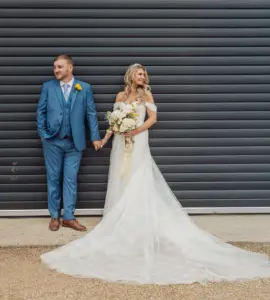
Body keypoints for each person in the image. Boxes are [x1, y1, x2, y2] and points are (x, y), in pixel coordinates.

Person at [40, 63, 270, 284]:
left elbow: (153, 119)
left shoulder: (146, 96)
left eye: (144, 75)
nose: (142, 78)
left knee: (138, 177)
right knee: (120, 177)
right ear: (131, 76)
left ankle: (136, 220)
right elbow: (113, 122)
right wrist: (104, 139)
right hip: (121, 144)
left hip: (138, 141)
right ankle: (116, 217)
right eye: (139, 75)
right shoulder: (120, 97)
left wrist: (135, 130)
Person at [37, 55, 102, 232]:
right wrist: (43, 134)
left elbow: (91, 114)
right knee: (53, 178)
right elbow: (40, 112)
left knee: (70, 179)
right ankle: (54, 216)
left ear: (70, 68)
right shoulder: (48, 87)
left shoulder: (84, 88)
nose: (56, 70)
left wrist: (95, 137)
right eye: (54, 67)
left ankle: (69, 217)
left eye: (59, 67)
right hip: (52, 141)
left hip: (75, 142)